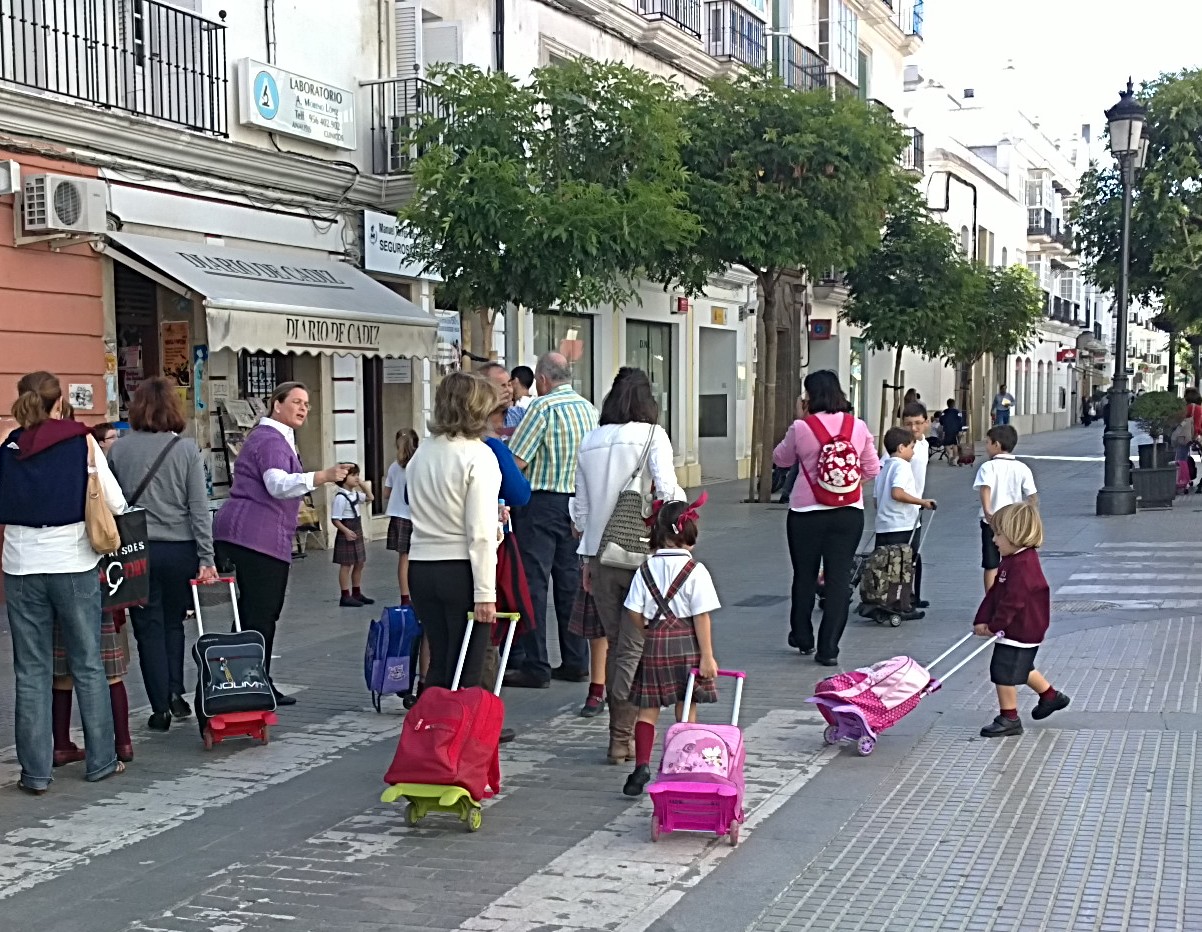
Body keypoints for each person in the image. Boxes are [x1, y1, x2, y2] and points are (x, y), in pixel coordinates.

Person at [0, 371, 126, 792]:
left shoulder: (9, 444)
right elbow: (115, 501)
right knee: (88, 663)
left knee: (31, 670)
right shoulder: (81, 441)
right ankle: (101, 760)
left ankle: (35, 774)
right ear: (59, 402)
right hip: (72, 562)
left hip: (19, 566)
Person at [212, 382, 349, 707]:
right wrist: (322, 476)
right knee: (262, 613)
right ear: (276, 405)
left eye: (307, 404)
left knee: (252, 613)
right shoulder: (270, 439)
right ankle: (254, 681)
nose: (303, 408)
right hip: (256, 537)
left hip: (250, 534)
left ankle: (245, 678)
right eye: (296, 402)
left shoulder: (273, 437)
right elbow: (276, 485)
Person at [572, 367, 683, 759]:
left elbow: (581, 511)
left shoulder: (590, 440)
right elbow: (668, 494)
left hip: (602, 559)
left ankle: (619, 739)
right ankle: (630, 739)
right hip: (644, 559)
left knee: (620, 646)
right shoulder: (653, 435)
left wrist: (586, 559)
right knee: (641, 649)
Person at [773, 370, 881, 667]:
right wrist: (846, 487)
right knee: (838, 579)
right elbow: (872, 469)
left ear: (809, 396)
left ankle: (803, 636)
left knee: (804, 575)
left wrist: (800, 420)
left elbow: (780, 459)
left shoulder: (801, 427)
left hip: (806, 514)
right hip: (848, 514)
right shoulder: (857, 426)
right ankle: (829, 649)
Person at [506, 353, 599, 689]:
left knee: (532, 584)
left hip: (541, 503)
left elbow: (516, 461)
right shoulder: (588, 409)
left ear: (542, 379)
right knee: (571, 583)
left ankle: (536, 664)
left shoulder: (542, 409)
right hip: (577, 504)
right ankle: (576, 660)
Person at [405, 372, 503, 690]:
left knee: (440, 660)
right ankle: (465, 736)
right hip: (460, 568)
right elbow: (481, 533)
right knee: (469, 666)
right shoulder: (478, 455)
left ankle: (432, 730)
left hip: (421, 565)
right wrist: (486, 593)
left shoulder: (422, 453)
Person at [621, 496, 720, 797]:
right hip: (687, 644)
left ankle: (641, 765)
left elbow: (633, 612)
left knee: (647, 710)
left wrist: (648, 630)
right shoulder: (696, 570)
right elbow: (701, 616)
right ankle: (684, 762)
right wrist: (708, 656)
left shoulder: (645, 569)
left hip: (655, 645)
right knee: (686, 707)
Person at [972, 502, 1070, 737]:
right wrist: (982, 618)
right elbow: (996, 593)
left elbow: (1012, 601)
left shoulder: (1024, 566)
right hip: (1019, 628)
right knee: (1020, 667)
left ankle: (1009, 718)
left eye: (998, 534)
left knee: (1003, 671)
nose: (994, 540)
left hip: (1022, 629)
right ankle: (1050, 696)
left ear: (1015, 536)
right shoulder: (1012, 560)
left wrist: (995, 625)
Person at [873, 427, 936, 618]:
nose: (913, 452)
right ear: (901, 448)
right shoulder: (901, 466)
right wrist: (922, 502)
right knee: (904, 566)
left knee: (884, 566)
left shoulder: (884, 466)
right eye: (911, 447)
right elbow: (897, 493)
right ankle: (902, 603)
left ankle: (882, 599)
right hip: (903, 525)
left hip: (884, 524)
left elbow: (877, 498)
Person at [974, 425, 1038, 592]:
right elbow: (1032, 496)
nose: (985, 446)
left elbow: (985, 488)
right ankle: (1011, 592)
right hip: (1013, 522)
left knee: (991, 563)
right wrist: (1028, 516)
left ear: (996, 444)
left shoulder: (988, 467)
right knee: (1013, 560)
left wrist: (988, 511)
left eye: (987, 442)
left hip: (992, 521)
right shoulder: (1022, 468)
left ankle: (990, 598)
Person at [880, 402, 931, 607]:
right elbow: (884, 472)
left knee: (914, 555)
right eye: (909, 423)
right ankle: (899, 600)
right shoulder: (899, 448)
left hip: (915, 507)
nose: (914, 428)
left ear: (927, 423)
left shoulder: (924, 444)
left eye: (918, 423)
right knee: (901, 557)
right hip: (902, 509)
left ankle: (912, 597)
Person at [384, 429, 419, 604]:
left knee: (403, 558)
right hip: (416, 516)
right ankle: (418, 593)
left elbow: (386, 493)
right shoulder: (419, 464)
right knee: (418, 557)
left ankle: (405, 597)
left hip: (398, 515)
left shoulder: (393, 466)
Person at [331, 464, 374, 607]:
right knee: (346, 565)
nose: (357, 478)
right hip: (348, 529)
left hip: (357, 528)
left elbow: (370, 497)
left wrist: (362, 484)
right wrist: (346, 531)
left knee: (359, 562)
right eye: (353, 475)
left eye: (358, 475)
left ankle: (357, 592)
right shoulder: (340, 497)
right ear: (344, 478)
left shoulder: (355, 494)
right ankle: (345, 595)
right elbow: (335, 519)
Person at [938, 399, 965, 465]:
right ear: (954, 404)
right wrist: (960, 430)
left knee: (946, 443)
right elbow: (960, 421)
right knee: (954, 443)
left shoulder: (944, 412)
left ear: (947, 404)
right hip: (955, 430)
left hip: (947, 429)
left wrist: (943, 424)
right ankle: (955, 459)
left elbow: (941, 420)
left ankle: (950, 455)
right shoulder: (957, 412)